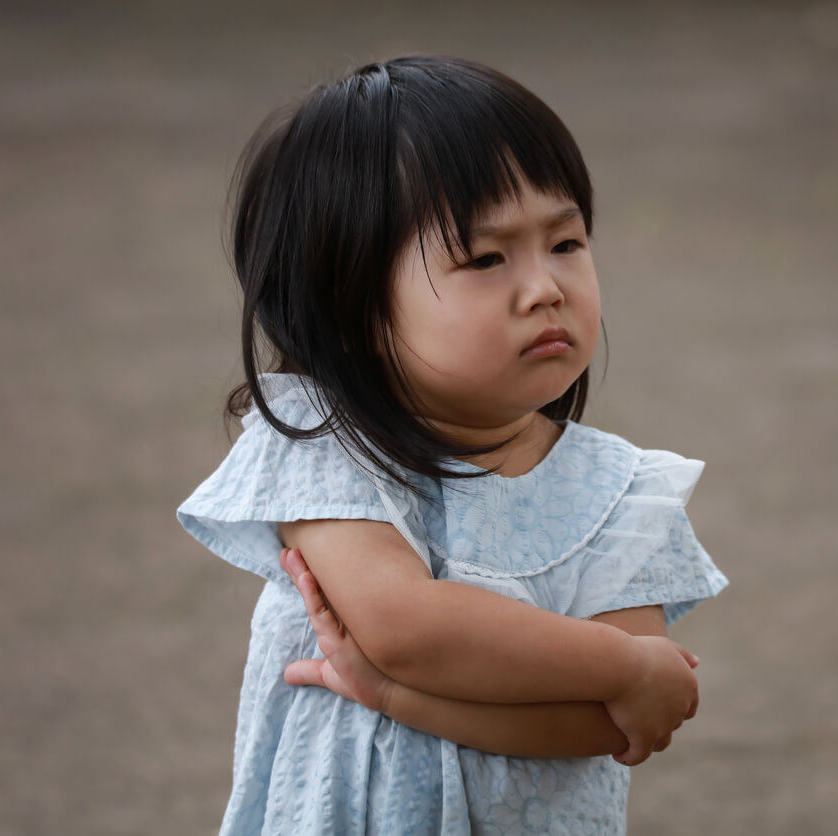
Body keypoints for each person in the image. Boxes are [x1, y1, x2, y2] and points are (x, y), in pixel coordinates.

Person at [177, 54, 729, 835]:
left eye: (566, 243)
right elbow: (405, 628)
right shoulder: (323, 447)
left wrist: (403, 699)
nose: (545, 287)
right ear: (352, 306)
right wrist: (624, 666)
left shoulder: (619, 497)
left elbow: (611, 725)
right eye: (486, 258)